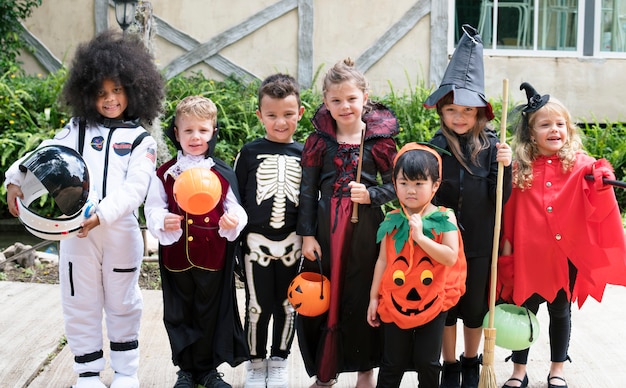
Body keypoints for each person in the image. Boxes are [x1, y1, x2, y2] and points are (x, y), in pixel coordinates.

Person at [4, 30, 164, 388]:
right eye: (102, 92)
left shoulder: (141, 140)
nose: (110, 99)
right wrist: (16, 182)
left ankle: (126, 373)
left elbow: (136, 188)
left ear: (134, 90)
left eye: (117, 90)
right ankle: (88, 373)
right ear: (87, 91)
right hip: (75, 231)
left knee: (124, 302)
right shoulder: (76, 130)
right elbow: (46, 159)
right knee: (79, 300)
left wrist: (102, 214)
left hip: (120, 232)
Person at [496, 82, 626, 388]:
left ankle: (557, 368)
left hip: (563, 256)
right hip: (528, 255)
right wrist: (505, 252)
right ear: (530, 133)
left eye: (560, 124)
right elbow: (508, 211)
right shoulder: (518, 170)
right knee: (523, 311)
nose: (555, 130)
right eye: (545, 125)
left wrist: (603, 176)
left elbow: (597, 183)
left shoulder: (580, 166)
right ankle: (518, 370)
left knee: (560, 311)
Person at [297, 58, 399, 388]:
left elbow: (398, 185)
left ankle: (365, 372)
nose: (345, 106)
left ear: (364, 97)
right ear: (325, 101)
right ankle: (326, 374)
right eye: (336, 100)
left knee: (361, 295)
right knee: (329, 297)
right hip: (327, 232)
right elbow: (308, 191)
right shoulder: (318, 142)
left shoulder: (380, 142)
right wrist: (307, 235)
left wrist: (371, 195)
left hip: (366, 233)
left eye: (351, 99)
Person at [423, 24, 513, 388]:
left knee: (474, 308)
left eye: (467, 110)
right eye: (452, 110)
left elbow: (500, 199)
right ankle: (449, 364)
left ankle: (471, 361)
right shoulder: (433, 146)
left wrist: (505, 167)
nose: (459, 117)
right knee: (446, 305)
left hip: (478, 243)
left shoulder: (492, 148)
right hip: (442, 243)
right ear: (442, 110)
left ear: (480, 114)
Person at [144, 95, 249, 388]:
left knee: (209, 313)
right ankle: (186, 370)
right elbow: (153, 207)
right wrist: (160, 219)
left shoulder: (221, 173)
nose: (195, 137)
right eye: (188, 130)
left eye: (202, 130)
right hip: (176, 256)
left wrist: (233, 221)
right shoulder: (165, 174)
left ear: (213, 133)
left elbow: (236, 208)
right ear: (176, 133)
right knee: (179, 314)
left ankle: (208, 370)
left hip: (212, 255)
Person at [367, 143, 467, 388]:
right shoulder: (391, 219)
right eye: (404, 183)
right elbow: (383, 260)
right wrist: (373, 298)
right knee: (392, 363)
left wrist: (421, 237)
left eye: (419, 183)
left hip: (433, 300)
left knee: (428, 362)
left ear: (435, 185)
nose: (410, 190)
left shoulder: (445, 217)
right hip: (395, 300)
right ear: (395, 183)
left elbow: (450, 257)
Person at [234, 73, 304, 388]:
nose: (280, 122)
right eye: (272, 115)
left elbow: (311, 201)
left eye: (288, 114)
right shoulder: (248, 154)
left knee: (289, 305)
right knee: (256, 306)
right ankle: (255, 363)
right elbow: (235, 201)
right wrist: (236, 249)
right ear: (260, 115)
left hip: (292, 243)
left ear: (299, 113)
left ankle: (279, 361)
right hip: (255, 244)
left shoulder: (306, 153)